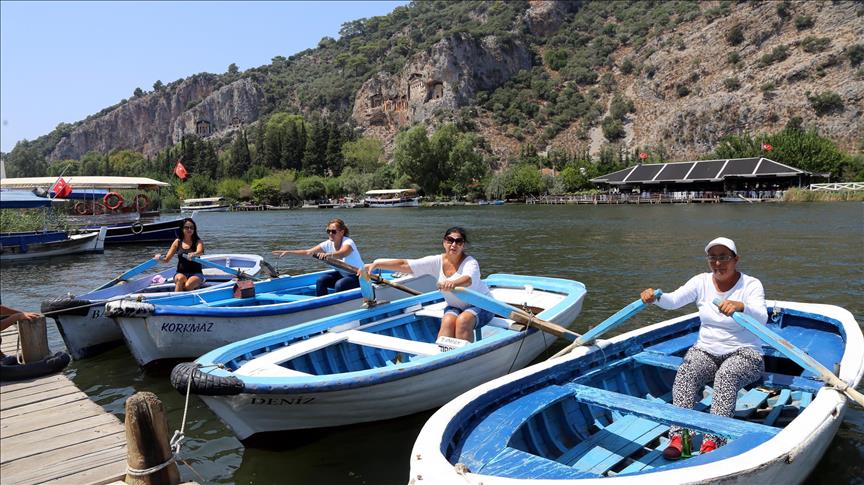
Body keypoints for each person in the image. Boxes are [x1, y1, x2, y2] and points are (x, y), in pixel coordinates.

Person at [640, 237, 767, 459]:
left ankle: (713, 438)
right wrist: (655, 297)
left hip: (745, 352)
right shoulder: (701, 282)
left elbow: (762, 318)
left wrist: (741, 306)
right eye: (713, 258)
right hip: (707, 350)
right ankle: (680, 436)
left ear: (736, 259)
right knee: (686, 371)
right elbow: (672, 301)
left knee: (726, 376)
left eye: (724, 257)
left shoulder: (751, 284)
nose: (718, 263)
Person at [361, 227, 493, 342]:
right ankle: (443, 357)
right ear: (444, 242)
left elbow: (467, 279)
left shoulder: (471, 263)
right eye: (450, 240)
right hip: (455, 306)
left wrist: (452, 283)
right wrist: (377, 263)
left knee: (463, 321)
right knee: (447, 322)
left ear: (463, 245)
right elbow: (405, 265)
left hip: (482, 305)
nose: (453, 244)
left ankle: (465, 360)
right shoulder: (436, 261)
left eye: (458, 241)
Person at [273, 219, 363, 297]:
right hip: (343, 274)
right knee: (321, 280)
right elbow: (308, 252)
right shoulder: (327, 244)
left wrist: (328, 255)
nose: (331, 233)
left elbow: (342, 253)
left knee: (339, 285)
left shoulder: (348, 242)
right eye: (328, 231)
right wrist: (288, 252)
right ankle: (322, 303)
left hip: (359, 276)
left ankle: (338, 305)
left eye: (334, 231)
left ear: (342, 232)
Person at [155, 217, 205, 292]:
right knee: (180, 279)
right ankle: (175, 300)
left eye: (192, 227)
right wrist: (159, 258)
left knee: (188, 285)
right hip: (181, 273)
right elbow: (166, 259)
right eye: (187, 227)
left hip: (196, 273)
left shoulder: (198, 241)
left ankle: (186, 299)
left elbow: (200, 252)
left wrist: (194, 254)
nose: (189, 229)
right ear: (182, 229)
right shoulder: (177, 242)